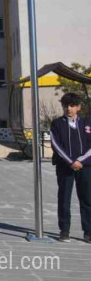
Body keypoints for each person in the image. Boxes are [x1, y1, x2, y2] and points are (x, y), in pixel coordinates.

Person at [50, 92, 91, 243]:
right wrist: (70, 161)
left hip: (85, 166)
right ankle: (64, 230)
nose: (69, 108)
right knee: (64, 198)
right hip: (65, 167)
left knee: (87, 198)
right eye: (66, 105)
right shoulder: (57, 123)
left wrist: (80, 161)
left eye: (72, 105)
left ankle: (88, 231)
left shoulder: (87, 123)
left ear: (78, 107)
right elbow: (56, 145)